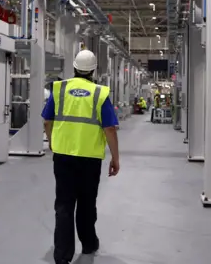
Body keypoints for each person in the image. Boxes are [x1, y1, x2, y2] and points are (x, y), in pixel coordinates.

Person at [42, 49, 120, 264]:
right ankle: (88, 243)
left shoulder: (60, 89)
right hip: (90, 159)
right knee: (87, 203)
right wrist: (115, 158)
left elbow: (47, 121)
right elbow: (110, 129)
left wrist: (52, 142)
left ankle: (62, 255)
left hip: (63, 156)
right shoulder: (99, 93)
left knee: (64, 205)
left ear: (74, 68)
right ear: (94, 70)